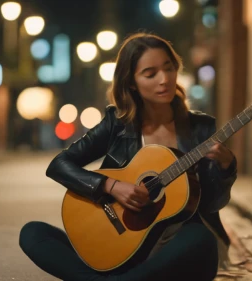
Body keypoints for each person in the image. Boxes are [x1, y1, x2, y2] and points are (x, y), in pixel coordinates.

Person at [19, 32, 237, 281]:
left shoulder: (201, 128)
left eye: (169, 68)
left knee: (200, 238)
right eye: (150, 73)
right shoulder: (117, 124)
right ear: (131, 82)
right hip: (118, 245)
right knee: (32, 233)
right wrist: (110, 186)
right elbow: (59, 165)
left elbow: (211, 204)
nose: (164, 79)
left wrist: (225, 168)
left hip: (169, 253)